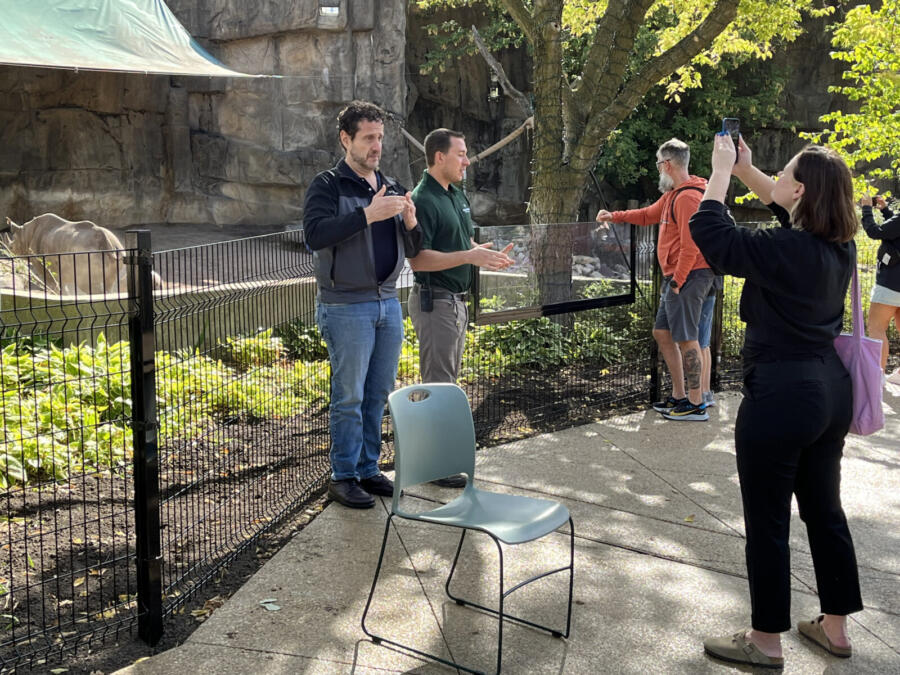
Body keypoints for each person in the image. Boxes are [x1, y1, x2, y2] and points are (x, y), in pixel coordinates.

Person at [693, 134, 863, 668]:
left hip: (782, 395)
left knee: (768, 521)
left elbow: (711, 234)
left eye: (785, 174)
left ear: (802, 190)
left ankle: (765, 639)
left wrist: (720, 172)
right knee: (824, 510)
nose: (779, 180)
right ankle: (835, 628)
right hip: (830, 392)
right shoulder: (840, 245)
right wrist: (747, 169)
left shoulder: (782, 248)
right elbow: (782, 203)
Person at [303, 101, 422, 509]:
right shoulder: (327, 185)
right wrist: (367, 216)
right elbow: (315, 235)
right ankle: (343, 475)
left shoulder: (392, 185)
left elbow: (416, 249)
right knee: (349, 396)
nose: (376, 146)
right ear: (345, 139)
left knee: (378, 394)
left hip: (388, 305)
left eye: (380, 138)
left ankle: (369, 469)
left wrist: (410, 222)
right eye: (368, 138)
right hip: (345, 306)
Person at [407, 128, 513, 487]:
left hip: (454, 303)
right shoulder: (423, 199)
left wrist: (482, 254)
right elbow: (419, 260)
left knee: (445, 383)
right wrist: (469, 255)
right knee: (438, 385)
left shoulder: (455, 194)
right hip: (435, 301)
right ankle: (433, 466)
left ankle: (436, 458)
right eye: (461, 154)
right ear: (440, 157)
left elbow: (462, 241)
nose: (467, 161)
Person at [596, 138, 714, 421]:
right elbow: (648, 214)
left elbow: (691, 246)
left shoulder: (687, 198)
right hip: (677, 278)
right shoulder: (673, 195)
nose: (658, 169)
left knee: (687, 339)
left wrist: (677, 281)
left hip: (688, 277)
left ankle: (696, 404)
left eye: (659, 164)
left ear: (668, 165)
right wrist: (614, 216)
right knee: (663, 333)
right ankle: (679, 396)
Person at [860, 194, 900, 384]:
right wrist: (885, 211)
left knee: (876, 328)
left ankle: (878, 375)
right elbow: (894, 229)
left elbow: (875, 232)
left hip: (890, 285)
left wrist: (867, 209)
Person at [698, 277, 723, 407]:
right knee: (704, 344)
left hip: (702, 288)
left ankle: (701, 394)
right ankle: (705, 391)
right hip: (709, 288)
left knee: (699, 344)